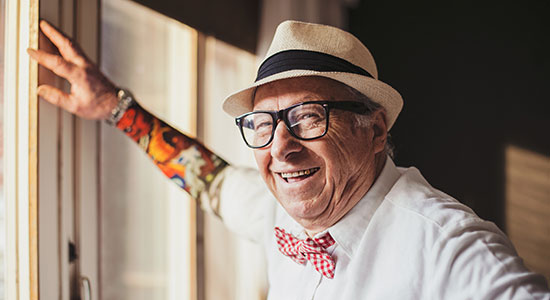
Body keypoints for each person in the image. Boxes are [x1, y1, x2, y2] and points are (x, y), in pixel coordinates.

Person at [28, 19, 550, 299]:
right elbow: (209, 180)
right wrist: (117, 108)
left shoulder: (449, 246)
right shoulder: (285, 210)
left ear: (375, 129)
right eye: (264, 123)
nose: (281, 148)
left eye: (308, 117)